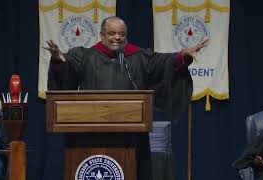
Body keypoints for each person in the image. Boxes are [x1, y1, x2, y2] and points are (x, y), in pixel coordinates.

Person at [44, 16, 208, 179]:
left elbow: (163, 63)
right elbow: (65, 75)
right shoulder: (84, 56)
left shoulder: (138, 57)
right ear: (102, 35)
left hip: (131, 135)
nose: (117, 38)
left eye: (121, 34)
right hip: (90, 134)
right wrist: (59, 62)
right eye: (112, 33)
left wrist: (182, 56)